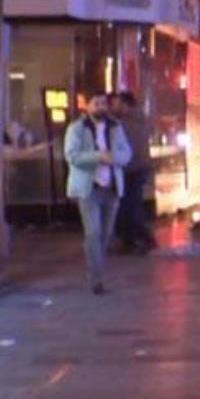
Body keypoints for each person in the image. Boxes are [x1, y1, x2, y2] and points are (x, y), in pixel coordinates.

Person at [64, 93, 132, 294]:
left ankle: (96, 269)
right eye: (96, 103)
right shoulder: (77, 128)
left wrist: (114, 158)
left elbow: (127, 153)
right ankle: (97, 279)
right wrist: (98, 157)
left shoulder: (115, 127)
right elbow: (72, 156)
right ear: (87, 106)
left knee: (105, 233)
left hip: (111, 188)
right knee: (93, 233)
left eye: (103, 103)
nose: (101, 107)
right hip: (89, 189)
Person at [111, 92, 156, 254]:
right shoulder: (140, 119)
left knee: (129, 205)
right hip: (139, 168)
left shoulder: (125, 123)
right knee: (130, 204)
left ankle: (139, 238)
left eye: (117, 104)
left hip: (130, 169)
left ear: (125, 105)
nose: (114, 107)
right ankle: (134, 239)